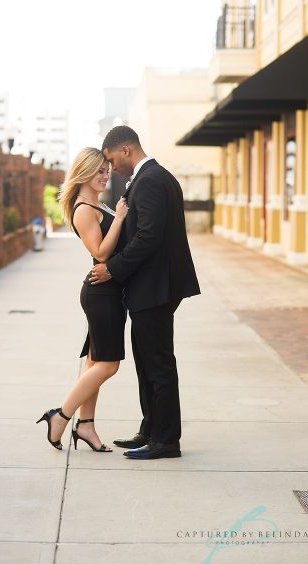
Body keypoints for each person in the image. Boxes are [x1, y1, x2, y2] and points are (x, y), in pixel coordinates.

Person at [91, 125, 200, 460]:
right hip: (152, 285)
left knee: (158, 363)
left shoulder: (150, 179)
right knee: (146, 358)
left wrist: (113, 268)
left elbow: (148, 238)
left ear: (126, 149)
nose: (111, 169)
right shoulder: (150, 177)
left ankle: (166, 440)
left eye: (111, 160)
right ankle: (151, 429)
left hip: (156, 286)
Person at [38, 147, 128, 452]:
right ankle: (60, 416)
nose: (105, 176)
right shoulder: (83, 209)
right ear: (84, 172)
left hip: (109, 289)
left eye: (107, 170)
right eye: (99, 171)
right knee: (109, 364)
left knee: (94, 361)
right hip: (101, 293)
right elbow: (100, 252)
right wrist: (120, 218)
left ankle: (86, 426)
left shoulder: (96, 203)